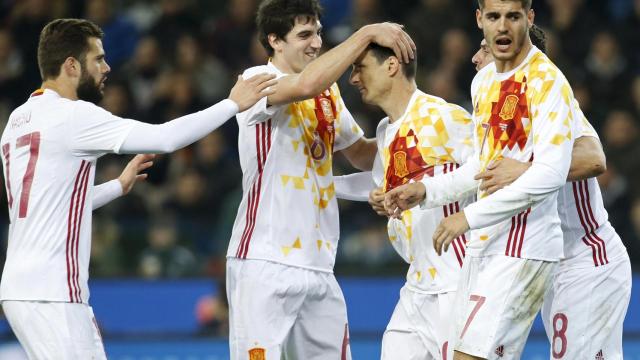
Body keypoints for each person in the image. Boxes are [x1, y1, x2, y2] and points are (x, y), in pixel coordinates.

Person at [0, 18, 275, 359]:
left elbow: (53, 204)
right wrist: (233, 104)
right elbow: (165, 138)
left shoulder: (17, 119)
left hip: (18, 287)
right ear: (71, 65)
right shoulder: (73, 116)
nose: (107, 67)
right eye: (98, 58)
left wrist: (117, 186)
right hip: (52, 289)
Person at [384, 0, 584, 358]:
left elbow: (551, 174)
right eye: (493, 16)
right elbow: (482, 162)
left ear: (530, 18)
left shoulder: (547, 81)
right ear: (480, 20)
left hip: (525, 246)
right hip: (485, 244)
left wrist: (467, 217)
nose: (503, 27)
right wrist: (427, 190)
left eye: (513, 16)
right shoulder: (485, 82)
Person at [225, 0, 416, 359]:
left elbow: (360, 153)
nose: (316, 43)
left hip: (319, 264)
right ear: (275, 41)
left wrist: (415, 133)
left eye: (318, 33)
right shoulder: (254, 81)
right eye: (304, 35)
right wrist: (366, 34)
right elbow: (305, 85)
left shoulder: (328, 93)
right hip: (264, 263)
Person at [472, 25, 631, 360]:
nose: (475, 58)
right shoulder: (496, 118)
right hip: (546, 264)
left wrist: (524, 170)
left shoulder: (551, 100)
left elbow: (594, 159)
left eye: (485, 49)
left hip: (587, 257)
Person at [347, 43, 474, 360]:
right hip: (417, 285)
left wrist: (427, 190)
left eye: (360, 67)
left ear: (391, 66)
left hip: (456, 282)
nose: (353, 78)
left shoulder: (444, 116)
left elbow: (487, 169)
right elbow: (383, 185)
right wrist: (321, 186)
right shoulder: (386, 131)